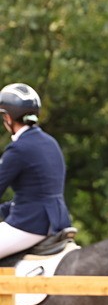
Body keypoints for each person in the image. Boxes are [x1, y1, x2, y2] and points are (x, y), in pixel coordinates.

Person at [0, 83, 72, 259]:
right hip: (58, 220)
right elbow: (37, 192)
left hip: (30, 224)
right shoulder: (50, 142)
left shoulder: (18, 149)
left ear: (8, 118)